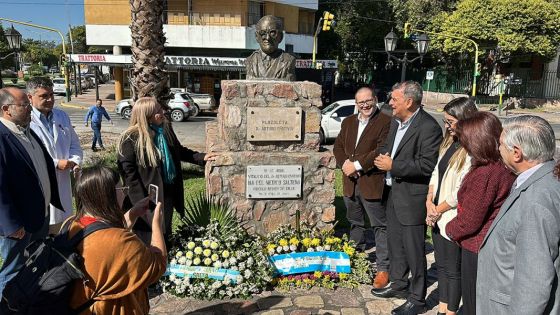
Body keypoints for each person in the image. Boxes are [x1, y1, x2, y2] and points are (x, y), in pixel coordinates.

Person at [477, 115, 560, 314]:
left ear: (517, 153)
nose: (498, 149)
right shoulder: (542, 179)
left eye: (501, 145)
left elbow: (534, 281)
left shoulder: (537, 200)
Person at [372, 81, 442, 315]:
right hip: (392, 193)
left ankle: (417, 298)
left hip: (412, 199)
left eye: (394, 99)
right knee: (395, 245)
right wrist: (381, 157)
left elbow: (426, 165)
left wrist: (394, 165)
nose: (390, 103)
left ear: (409, 102)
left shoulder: (429, 127)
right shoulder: (396, 121)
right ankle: (400, 284)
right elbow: (388, 146)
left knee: (414, 250)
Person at [117, 97, 217, 244]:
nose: (162, 112)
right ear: (147, 115)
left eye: (161, 108)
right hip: (144, 198)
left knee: (164, 233)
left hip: (166, 193)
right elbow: (128, 173)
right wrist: (141, 202)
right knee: (146, 237)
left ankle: (164, 262)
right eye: (157, 110)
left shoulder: (165, 129)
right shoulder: (130, 138)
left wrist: (201, 157)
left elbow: (179, 151)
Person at [68, 165, 166, 314]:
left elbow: (102, 233)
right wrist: (157, 225)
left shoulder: (71, 225)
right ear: (108, 196)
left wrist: (132, 214)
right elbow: (157, 265)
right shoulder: (119, 241)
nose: (125, 195)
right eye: (122, 190)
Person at [445, 111, 516, 315]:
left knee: (472, 302)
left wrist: (449, 229)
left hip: (476, 246)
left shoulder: (485, 174)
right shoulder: (500, 166)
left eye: (465, 140)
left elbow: (470, 221)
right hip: (485, 245)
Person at [0, 87, 63, 297]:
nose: (29, 108)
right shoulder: (2, 137)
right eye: (24, 105)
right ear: (6, 109)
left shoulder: (27, 130)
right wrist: (10, 225)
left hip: (39, 215)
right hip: (18, 225)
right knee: (13, 270)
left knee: (35, 265)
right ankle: (7, 306)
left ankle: (29, 304)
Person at [333, 87, 391, 289]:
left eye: (368, 101)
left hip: (371, 182)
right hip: (350, 183)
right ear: (356, 104)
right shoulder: (348, 121)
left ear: (375, 100)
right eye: (361, 102)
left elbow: (382, 150)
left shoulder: (385, 121)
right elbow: (338, 147)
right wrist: (345, 165)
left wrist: (357, 165)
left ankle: (384, 268)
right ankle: (355, 257)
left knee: (379, 225)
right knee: (354, 222)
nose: (365, 105)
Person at [426, 97, 477, 315]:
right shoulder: (449, 142)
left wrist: (437, 210)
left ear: (465, 120)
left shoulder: (472, 150)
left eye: (450, 122)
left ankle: (451, 311)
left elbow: (460, 191)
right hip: (436, 213)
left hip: (451, 217)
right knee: (442, 267)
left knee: (453, 270)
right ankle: (443, 307)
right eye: (445, 122)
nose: (447, 127)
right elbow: (436, 173)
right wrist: (429, 201)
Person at [27, 77, 83, 235]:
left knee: (62, 228)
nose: (50, 99)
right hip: (40, 183)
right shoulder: (25, 120)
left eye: (51, 94)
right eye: (44, 96)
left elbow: (74, 144)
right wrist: (55, 163)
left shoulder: (62, 116)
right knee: (42, 230)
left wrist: (74, 161)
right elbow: (29, 154)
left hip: (63, 181)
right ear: (30, 97)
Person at [245, 15, 296, 81]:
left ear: (280, 37)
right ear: (257, 37)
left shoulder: (289, 61)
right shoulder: (250, 61)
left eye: (272, 33)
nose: (267, 38)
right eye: (263, 33)